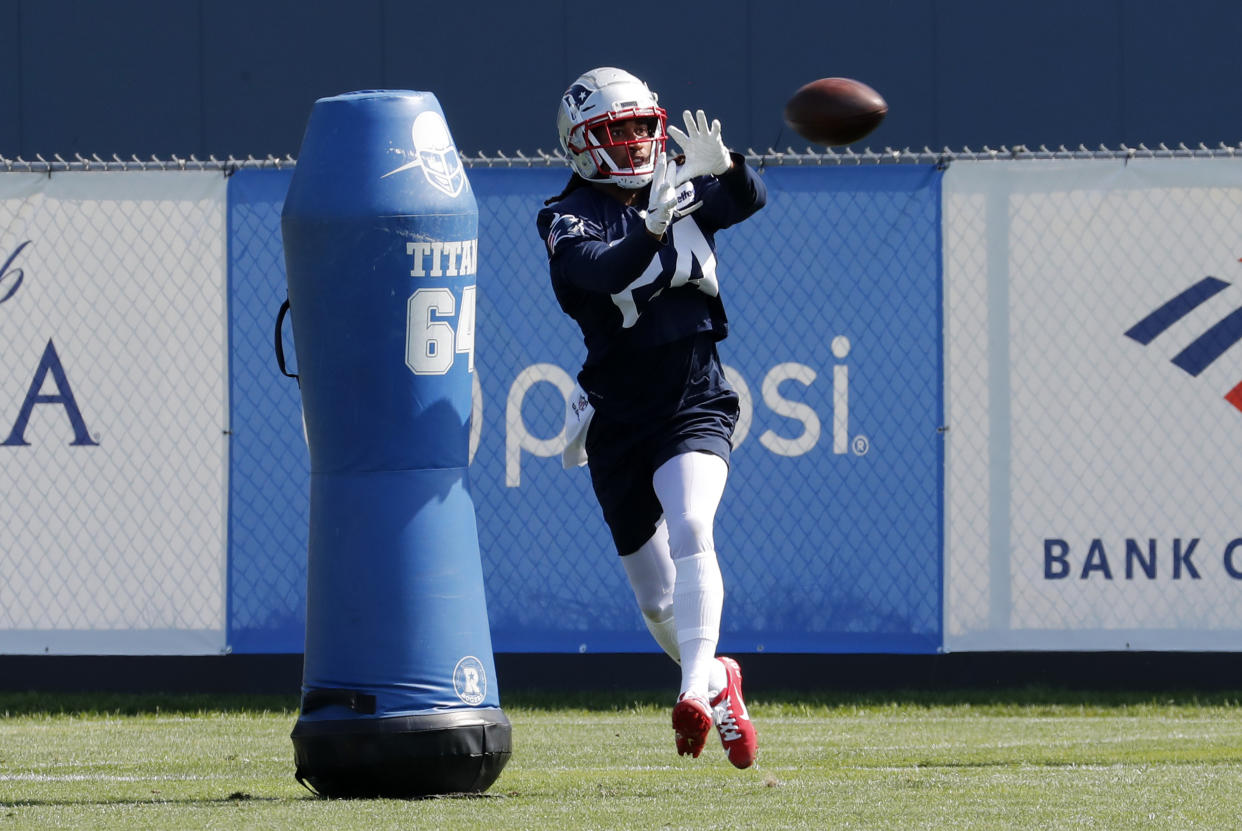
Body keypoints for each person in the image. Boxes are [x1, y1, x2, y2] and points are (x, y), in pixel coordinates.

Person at [536, 67, 767, 769]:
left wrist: (726, 165)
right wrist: (652, 225)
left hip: (694, 392)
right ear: (582, 145)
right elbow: (604, 273)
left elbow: (749, 198)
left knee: (695, 522)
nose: (637, 142)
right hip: (619, 415)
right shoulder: (564, 216)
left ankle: (694, 689)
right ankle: (716, 675)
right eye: (619, 131)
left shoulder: (677, 179)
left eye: (643, 126)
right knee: (658, 600)